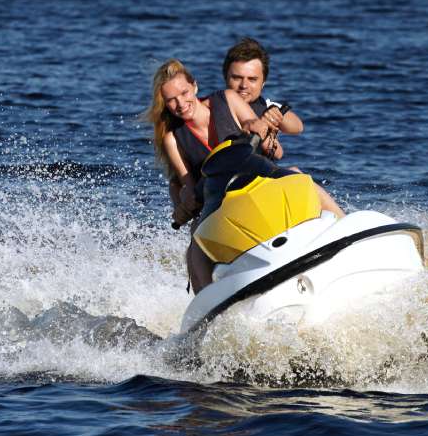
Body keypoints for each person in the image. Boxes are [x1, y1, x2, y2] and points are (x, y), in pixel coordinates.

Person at [144, 59, 343, 294]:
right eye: (171, 100)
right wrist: (183, 202)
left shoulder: (227, 99)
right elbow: (188, 184)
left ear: (194, 87)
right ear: (165, 104)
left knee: (299, 176)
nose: (180, 103)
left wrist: (263, 128)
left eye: (184, 93)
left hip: (259, 183)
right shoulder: (173, 140)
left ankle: (348, 229)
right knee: (195, 243)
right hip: (221, 204)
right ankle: (207, 305)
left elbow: (253, 124)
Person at [218, 37, 305, 160]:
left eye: (252, 79)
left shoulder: (267, 107)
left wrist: (276, 115)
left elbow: (298, 127)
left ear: (263, 83)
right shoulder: (212, 106)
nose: (244, 85)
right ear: (225, 77)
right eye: (237, 78)